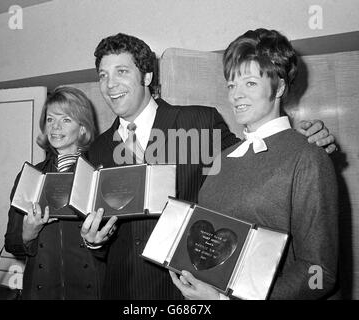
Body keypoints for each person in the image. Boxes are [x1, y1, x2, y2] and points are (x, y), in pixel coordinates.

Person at [81, 33, 337, 300]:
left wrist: (311, 140)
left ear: (146, 77)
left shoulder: (199, 122)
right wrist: (94, 241)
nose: (110, 84)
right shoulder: (96, 150)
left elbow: (265, 151)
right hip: (123, 290)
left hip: (188, 289)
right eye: (102, 75)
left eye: (121, 71)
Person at [169, 28, 338, 300]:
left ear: (280, 87)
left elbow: (320, 273)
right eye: (231, 85)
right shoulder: (223, 157)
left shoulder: (308, 156)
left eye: (249, 83)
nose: (235, 95)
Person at [4, 86, 102, 300]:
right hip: (40, 291)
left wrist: (98, 241)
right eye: (50, 120)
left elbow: (118, 250)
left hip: (90, 291)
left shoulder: (98, 175)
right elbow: (11, 243)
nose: (55, 127)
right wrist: (28, 233)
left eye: (66, 119)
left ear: (83, 128)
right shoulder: (31, 175)